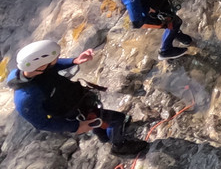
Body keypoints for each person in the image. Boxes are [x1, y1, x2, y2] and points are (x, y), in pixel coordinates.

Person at [6, 40, 148, 155]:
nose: (57, 59)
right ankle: (119, 146)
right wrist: (76, 127)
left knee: (98, 119)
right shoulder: (26, 99)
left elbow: (52, 67)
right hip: (72, 113)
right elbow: (41, 123)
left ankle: (105, 136)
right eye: (54, 59)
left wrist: (74, 61)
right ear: (41, 65)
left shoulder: (34, 70)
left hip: (77, 101)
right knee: (118, 119)